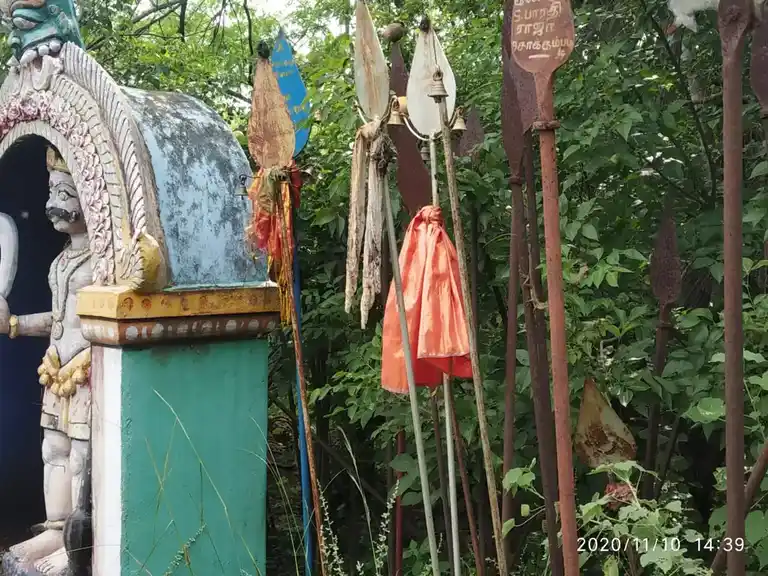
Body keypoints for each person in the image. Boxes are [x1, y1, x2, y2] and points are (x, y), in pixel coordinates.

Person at [0, 146, 92, 576]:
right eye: (53, 191)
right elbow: (57, 320)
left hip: (88, 369)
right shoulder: (61, 261)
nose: (54, 203)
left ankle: (79, 546)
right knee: (53, 449)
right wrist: (13, 324)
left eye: (66, 192)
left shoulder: (102, 261)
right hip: (56, 368)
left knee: (82, 458)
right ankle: (56, 530)